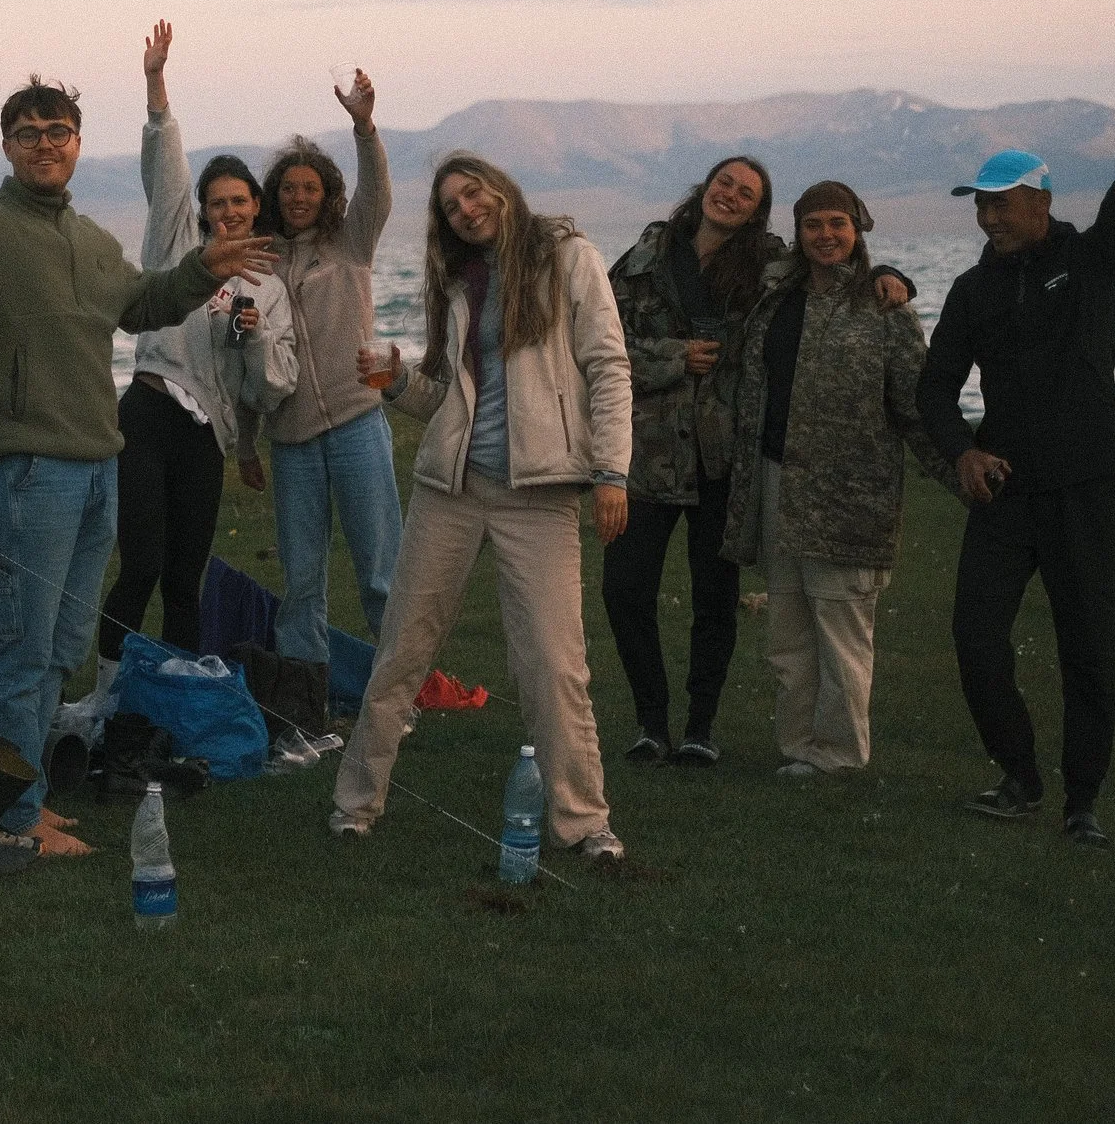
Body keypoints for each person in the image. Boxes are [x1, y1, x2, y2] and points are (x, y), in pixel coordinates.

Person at [0, 75, 277, 857]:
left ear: (78, 143)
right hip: (23, 469)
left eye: (57, 129)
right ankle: (6, 816)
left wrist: (206, 266)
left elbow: (146, 302)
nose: (45, 141)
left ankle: (21, 795)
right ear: (7, 147)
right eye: (28, 131)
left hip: (98, 466)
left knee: (61, 649)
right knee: (21, 648)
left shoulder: (91, 240)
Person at [920, 12, 1115, 849]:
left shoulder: (1091, 261)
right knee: (975, 637)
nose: (987, 219)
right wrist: (962, 450)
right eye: (979, 207)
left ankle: (1082, 801)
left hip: (1084, 480)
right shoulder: (972, 293)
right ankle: (1018, 774)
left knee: (1089, 645)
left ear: (1041, 201)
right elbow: (934, 389)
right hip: (1006, 487)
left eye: (1000, 205)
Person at [330, 153, 633, 860]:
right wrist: (397, 380)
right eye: (452, 206)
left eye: (473, 193)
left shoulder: (568, 256)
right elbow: (445, 398)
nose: (467, 209)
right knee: (403, 649)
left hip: (543, 493)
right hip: (451, 490)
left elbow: (609, 366)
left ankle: (584, 823)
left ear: (501, 186)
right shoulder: (454, 279)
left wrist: (613, 471)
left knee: (554, 665)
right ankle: (354, 803)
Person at [603, 158, 914, 767]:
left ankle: (699, 728)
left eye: (746, 194)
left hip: (726, 456)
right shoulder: (647, 251)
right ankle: (649, 720)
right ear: (705, 186)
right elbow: (602, 338)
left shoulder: (772, 264)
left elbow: (834, 267)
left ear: (758, 211)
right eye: (725, 183)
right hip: (649, 450)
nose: (731, 196)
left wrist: (890, 274)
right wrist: (670, 357)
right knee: (624, 589)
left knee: (714, 597)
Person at [722, 181, 957, 776]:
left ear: (859, 229)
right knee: (788, 632)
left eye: (837, 223)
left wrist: (961, 470)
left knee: (841, 631)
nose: (825, 235)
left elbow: (914, 405)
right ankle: (800, 748)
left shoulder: (884, 309)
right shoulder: (777, 296)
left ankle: (841, 755)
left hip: (851, 496)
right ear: (798, 233)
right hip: (776, 483)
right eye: (813, 225)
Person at [100, 22, 297, 686]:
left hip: (205, 437)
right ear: (202, 209)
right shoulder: (175, 236)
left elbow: (265, 387)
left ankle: (177, 698)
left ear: (255, 206)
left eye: (239, 201)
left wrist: (253, 336)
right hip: (150, 415)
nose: (228, 212)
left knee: (186, 578)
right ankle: (107, 692)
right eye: (217, 202)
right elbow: (167, 162)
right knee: (143, 564)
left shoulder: (267, 288)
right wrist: (157, 86)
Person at [259, 72, 399, 675]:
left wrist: (364, 127)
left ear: (327, 193)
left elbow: (378, 194)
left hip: (355, 422)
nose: (298, 196)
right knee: (300, 579)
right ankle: (305, 695)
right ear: (276, 194)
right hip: (290, 438)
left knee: (379, 572)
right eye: (289, 187)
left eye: (310, 187)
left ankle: (399, 692)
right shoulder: (260, 257)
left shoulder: (351, 242)